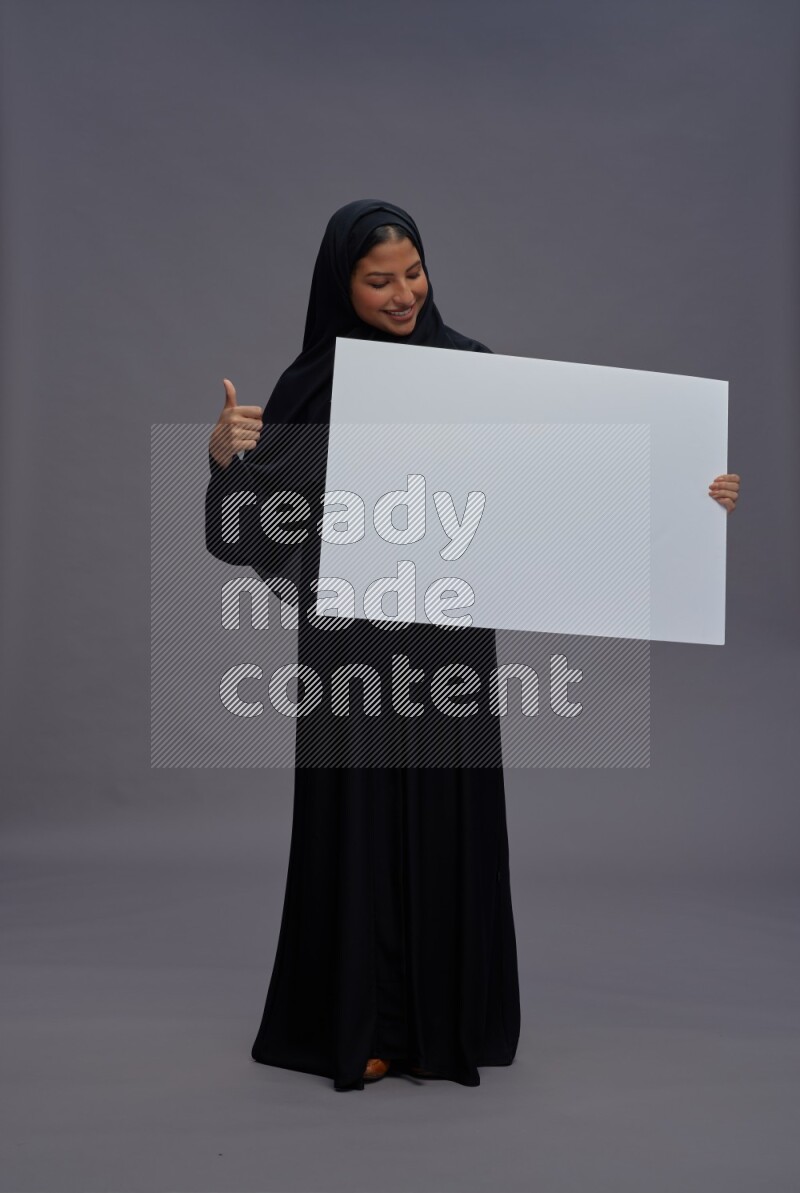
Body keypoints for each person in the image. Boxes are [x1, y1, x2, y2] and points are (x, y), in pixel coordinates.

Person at [205, 199, 741, 1092]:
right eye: (378, 280)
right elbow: (250, 532)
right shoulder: (316, 386)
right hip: (349, 652)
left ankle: (439, 1027)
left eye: (413, 272)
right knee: (358, 825)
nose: (403, 293)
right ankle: (361, 1023)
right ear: (341, 285)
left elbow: (567, 484)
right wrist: (226, 460)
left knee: (445, 819)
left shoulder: (471, 372)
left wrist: (692, 492)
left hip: (447, 647)